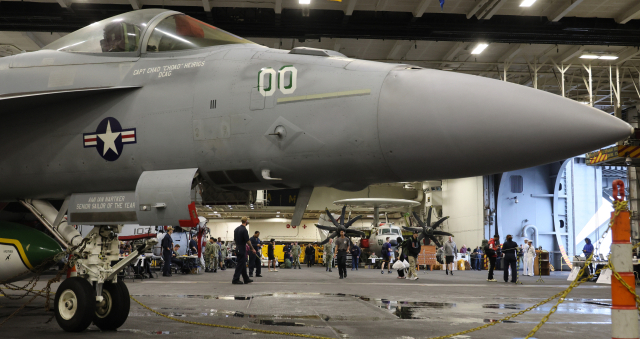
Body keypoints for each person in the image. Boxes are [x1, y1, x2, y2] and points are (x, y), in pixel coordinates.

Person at [232, 217, 256, 285]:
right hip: (242, 248)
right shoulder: (244, 230)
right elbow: (247, 241)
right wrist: (252, 248)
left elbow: (235, 240)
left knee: (242, 264)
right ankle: (235, 279)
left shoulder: (236, 229)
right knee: (240, 264)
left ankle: (246, 278)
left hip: (238, 247)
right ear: (246, 221)